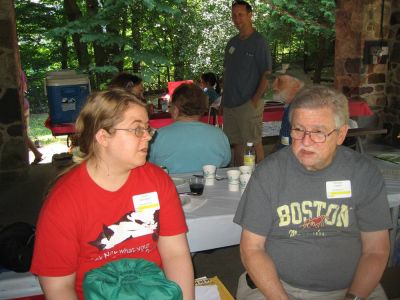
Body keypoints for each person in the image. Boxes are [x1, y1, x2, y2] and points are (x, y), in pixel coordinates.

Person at [30, 89, 194, 299]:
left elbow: (175, 254)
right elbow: (59, 288)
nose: (148, 137)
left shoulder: (157, 181)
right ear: (103, 137)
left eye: (147, 128)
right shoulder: (64, 202)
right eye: (136, 129)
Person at [234, 85, 391, 300]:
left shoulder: (363, 174)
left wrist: (354, 297)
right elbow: (251, 249)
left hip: (354, 289)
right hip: (276, 287)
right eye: (298, 130)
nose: (306, 142)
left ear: (341, 134)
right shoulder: (268, 173)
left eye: (318, 132)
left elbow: (376, 251)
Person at [222, 0, 272, 166]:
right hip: (230, 104)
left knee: (254, 143)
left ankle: (262, 182)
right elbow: (227, 73)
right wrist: (223, 100)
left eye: (241, 15)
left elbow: (267, 73)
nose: (237, 19)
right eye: (234, 16)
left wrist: (254, 101)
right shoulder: (232, 43)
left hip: (249, 103)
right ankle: (237, 179)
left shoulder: (259, 42)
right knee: (236, 144)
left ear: (250, 15)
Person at [148, 83, 231, 174]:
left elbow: (150, 165)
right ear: (202, 110)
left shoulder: (157, 136)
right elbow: (225, 162)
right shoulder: (218, 134)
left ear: (175, 110)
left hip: (170, 185)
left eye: (170, 106)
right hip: (208, 186)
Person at [271, 71, 306, 150]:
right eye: (274, 80)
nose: (274, 86)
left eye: (280, 82)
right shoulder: (290, 106)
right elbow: (283, 140)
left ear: (296, 85)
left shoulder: (303, 110)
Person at [21, 71, 43, 164]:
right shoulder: (21, 73)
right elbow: (25, 88)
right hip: (24, 102)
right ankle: (36, 154)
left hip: (21, 103)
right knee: (24, 133)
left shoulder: (13, 72)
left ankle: (36, 154)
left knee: (23, 134)